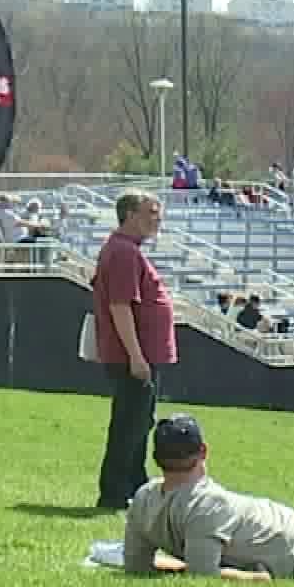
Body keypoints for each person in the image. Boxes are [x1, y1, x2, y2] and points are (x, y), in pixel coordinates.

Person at [123, 415, 294, 585]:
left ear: (157, 458)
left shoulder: (144, 498)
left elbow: (136, 565)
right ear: (203, 451)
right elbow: (202, 575)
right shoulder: (205, 504)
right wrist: (253, 578)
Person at [93, 191, 176, 511]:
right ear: (129, 215)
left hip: (138, 355)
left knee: (138, 423)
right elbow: (120, 306)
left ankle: (134, 486)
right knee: (130, 424)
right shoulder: (123, 252)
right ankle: (115, 492)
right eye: (151, 212)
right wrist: (136, 357)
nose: (158, 219)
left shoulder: (126, 250)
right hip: (133, 357)